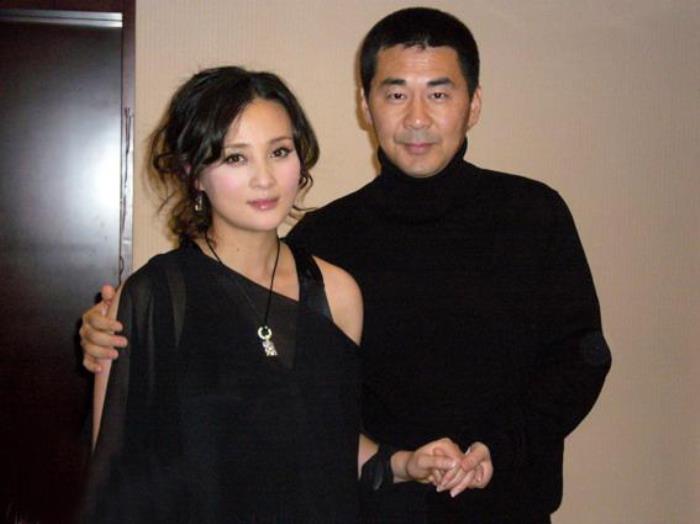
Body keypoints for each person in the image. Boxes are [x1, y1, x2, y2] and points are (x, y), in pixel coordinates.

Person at [81, 7, 611, 523]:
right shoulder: (324, 242)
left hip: (508, 504)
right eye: (396, 94)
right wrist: (113, 330)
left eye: (439, 94)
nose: (417, 118)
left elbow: (580, 358)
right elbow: (272, 405)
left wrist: (495, 447)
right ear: (365, 104)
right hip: (371, 511)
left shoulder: (531, 215)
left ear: (473, 104)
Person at [81, 66, 485, 523]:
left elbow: (328, 443)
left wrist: (407, 464)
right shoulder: (153, 299)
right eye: (235, 158)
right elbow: (116, 485)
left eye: (279, 152)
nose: (265, 178)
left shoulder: (337, 292)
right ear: (194, 173)